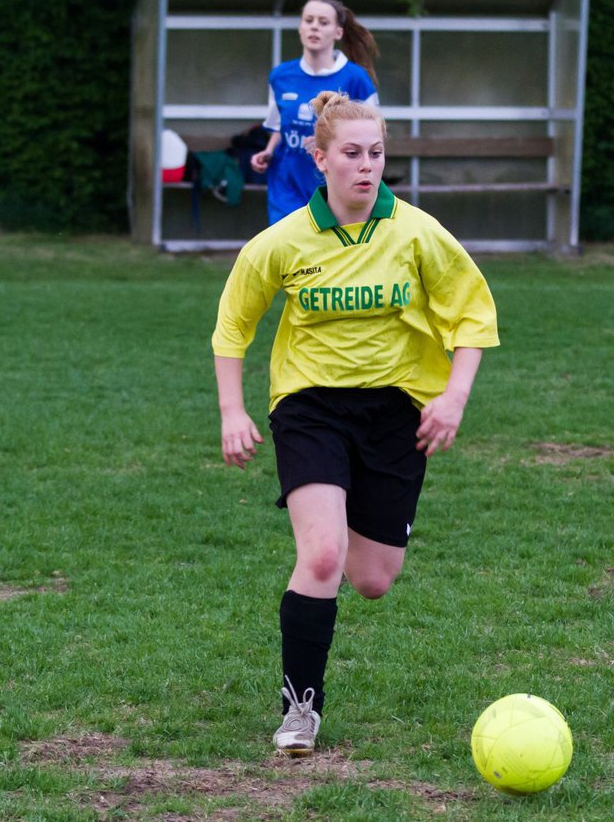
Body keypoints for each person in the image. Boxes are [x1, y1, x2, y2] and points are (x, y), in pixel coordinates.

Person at [212, 91, 500, 756]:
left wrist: (453, 398)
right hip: (309, 407)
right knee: (321, 555)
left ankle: (342, 536)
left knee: (372, 579)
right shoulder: (282, 242)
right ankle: (300, 710)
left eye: (376, 154)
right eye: (351, 154)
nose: (366, 167)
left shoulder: (418, 233)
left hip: (396, 411)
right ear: (319, 158)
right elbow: (233, 327)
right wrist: (233, 410)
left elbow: (472, 316)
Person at [250, 0, 380, 225]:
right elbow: (280, 125)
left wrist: (328, 143)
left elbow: (373, 134)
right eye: (308, 20)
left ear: (338, 32)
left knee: (327, 253)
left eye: (323, 22)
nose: (314, 27)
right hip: (286, 182)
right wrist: (268, 151)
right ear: (300, 28)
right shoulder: (281, 76)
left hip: (331, 182)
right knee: (287, 249)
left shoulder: (356, 78)